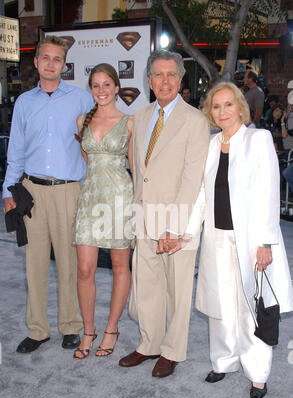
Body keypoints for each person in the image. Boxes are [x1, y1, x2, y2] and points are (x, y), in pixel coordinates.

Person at [165, 82, 293, 398]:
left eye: (228, 105)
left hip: (251, 239)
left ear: (240, 107)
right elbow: (201, 195)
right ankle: (223, 362)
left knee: (252, 305)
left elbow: (268, 191)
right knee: (220, 304)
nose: (222, 111)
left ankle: (258, 374)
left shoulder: (258, 139)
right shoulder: (210, 146)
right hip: (217, 237)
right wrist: (187, 233)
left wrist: (264, 241)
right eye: (216, 106)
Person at [119, 50, 210, 378]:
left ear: (181, 79)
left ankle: (172, 350)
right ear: (149, 80)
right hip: (144, 216)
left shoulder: (195, 121)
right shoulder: (140, 117)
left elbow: (192, 178)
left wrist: (175, 226)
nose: (165, 81)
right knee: (148, 286)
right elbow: (138, 170)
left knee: (177, 288)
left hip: (177, 221)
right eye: (158, 74)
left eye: (172, 74)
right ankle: (149, 343)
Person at [2, 36, 94, 353]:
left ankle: (70, 326)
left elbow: (95, 143)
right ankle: (37, 329)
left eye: (57, 59)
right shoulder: (24, 103)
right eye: (46, 58)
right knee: (34, 264)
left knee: (70, 263)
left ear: (64, 66)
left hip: (69, 191)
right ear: (37, 62)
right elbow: (15, 153)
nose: (51, 63)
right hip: (31, 192)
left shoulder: (82, 100)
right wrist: (7, 191)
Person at [73, 64, 133, 359]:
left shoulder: (129, 122)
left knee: (121, 267)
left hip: (120, 199)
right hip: (90, 199)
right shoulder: (82, 120)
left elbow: (133, 165)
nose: (101, 90)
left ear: (117, 87)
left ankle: (111, 328)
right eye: (96, 85)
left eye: (107, 84)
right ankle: (88, 330)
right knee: (85, 269)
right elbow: (87, 160)